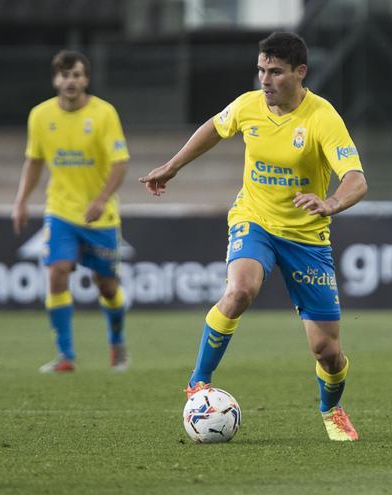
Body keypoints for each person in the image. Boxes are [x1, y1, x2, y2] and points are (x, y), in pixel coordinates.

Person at [140, 32, 368, 442]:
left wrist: (331, 203)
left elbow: (356, 179)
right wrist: (173, 166)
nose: (265, 79)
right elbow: (214, 126)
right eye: (261, 69)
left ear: (300, 73)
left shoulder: (322, 117)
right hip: (255, 219)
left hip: (306, 236)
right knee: (241, 289)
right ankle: (198, 382)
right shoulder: (249, 106)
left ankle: (331, 409)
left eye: (275, 72)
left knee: (327, 353)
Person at [12, 50, 131, 373]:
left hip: (100, 216)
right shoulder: (40, 116)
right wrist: (21, 200)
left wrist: (102, 199)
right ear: (55, 80)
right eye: (65, 76)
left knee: (106, 286)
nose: (71, 81)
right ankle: (66, 356)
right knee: (57, 272)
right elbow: (34, 161)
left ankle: (117, 341)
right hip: (60, 211)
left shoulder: (104, 114)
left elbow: (120, 163)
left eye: (77, 75)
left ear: (86, 80)